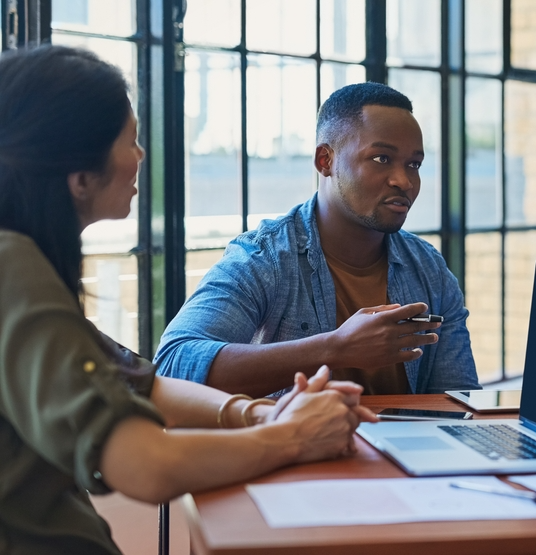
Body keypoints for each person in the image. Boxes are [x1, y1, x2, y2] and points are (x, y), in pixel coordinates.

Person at [0, 45, 377, 555]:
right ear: (79, 176)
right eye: (130, 141)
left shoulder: (21, 263)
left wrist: (260, 416)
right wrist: (292, 438)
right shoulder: (12, 267)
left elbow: (139, 383)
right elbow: (145, 465)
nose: (140, 156)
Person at [154, 82, 479, 397]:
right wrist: (336, 349)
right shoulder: (265, 257)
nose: (404, 181)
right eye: (381, 158)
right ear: (326, 161)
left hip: (404, 453)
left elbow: (460, 402)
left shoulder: (427, 267)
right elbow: (173, 365)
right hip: (296, 451)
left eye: (414, 164)